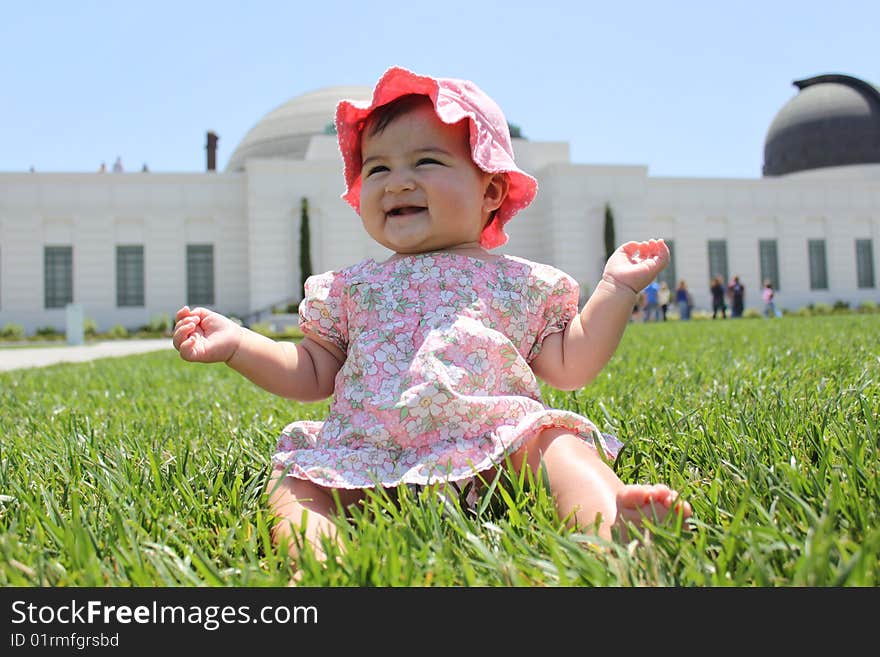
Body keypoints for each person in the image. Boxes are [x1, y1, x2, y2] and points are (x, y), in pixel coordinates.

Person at [172, 66, 691, 570]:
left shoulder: (519, 281)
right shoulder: (351, 288)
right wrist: (239, 344)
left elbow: (571, 366)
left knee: (557, 446)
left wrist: (616, 289)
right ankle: (320, 560)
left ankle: (610, 520)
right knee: (295, 481)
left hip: (495, 450)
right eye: (377, 168)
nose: (397, 183)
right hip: (368, 459)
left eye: (425, 162)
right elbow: (310, 371)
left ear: (490, 191)